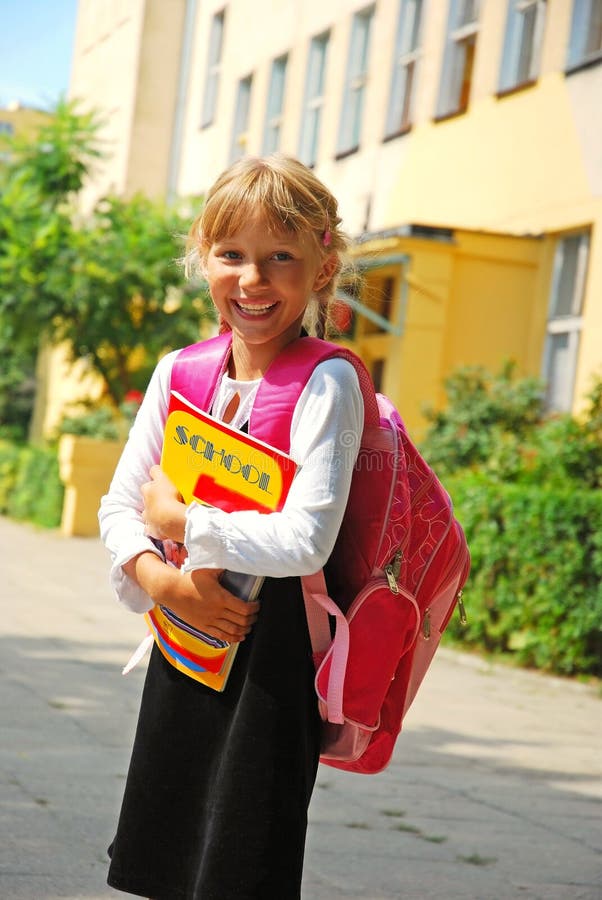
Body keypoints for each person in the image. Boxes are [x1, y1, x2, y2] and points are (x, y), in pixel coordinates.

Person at [98, 154, 364, 900]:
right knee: (164, 854)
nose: (253, 280)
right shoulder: (180, 372)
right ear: (204, 258)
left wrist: (185, 520)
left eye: (281, 257)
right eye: (233, 255)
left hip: (271, 658)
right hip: (183, 636)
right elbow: (119, 507)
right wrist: (162, 582)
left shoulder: (327, 381)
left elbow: (308, 541)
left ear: (322, 266)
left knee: (245, 864)